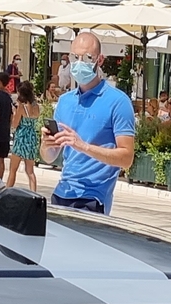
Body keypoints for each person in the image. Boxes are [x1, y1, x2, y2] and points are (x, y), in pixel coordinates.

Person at [45, 29, 130, 213]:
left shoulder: (118, 101)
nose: (80, 63)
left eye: (88, 58)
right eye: (75, 57)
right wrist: (46, 145)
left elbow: (127, 158)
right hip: (63, 193)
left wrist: (83, 146)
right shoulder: (65, 101)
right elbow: (49, 157)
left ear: (100, 60)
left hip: (93, 199)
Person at [3, 75, 37, 190]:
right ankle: (34, 194)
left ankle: (7, 190)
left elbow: (15, 124)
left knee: (13, 169)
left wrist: (14, 111)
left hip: (22, 137)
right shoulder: (36, 106)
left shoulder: (22, 107)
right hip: (32, 137)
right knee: (30, 171)